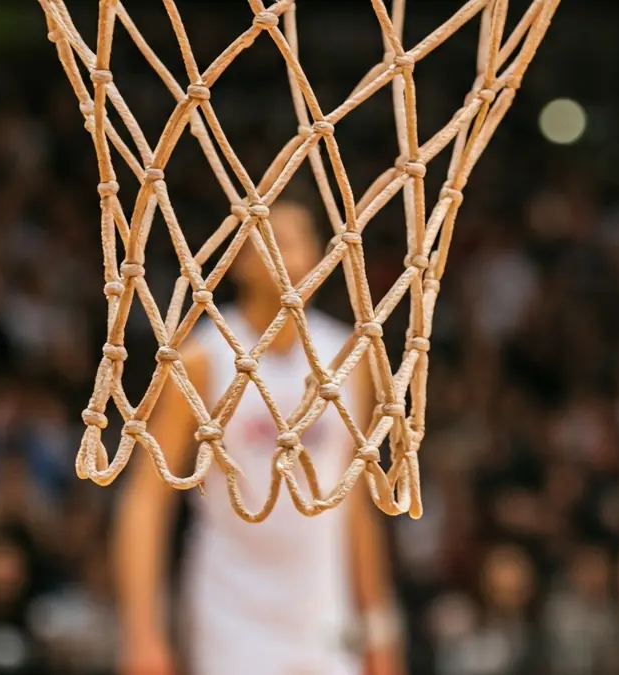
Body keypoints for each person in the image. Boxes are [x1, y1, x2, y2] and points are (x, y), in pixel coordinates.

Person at [113, 200, 404, 675]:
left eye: (298, 240)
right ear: (240, 262)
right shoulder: (202, 358)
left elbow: (355, 506)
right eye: (272, 242)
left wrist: (379, 631)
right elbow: (147, 498)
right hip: (230, 605)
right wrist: (141, 633)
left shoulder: (347, 358)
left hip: (323, 605)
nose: (289, 254)